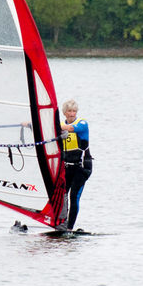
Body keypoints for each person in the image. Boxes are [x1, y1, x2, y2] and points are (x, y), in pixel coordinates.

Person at [59, 98, 92, 231]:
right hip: (66, 168)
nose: (72, 114)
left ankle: (69, 228)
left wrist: (52, 125)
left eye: (74, 111)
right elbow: (44, 132)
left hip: (81, 168)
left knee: (74, 197)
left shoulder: (82, 124)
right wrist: (30, 125)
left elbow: (71, 128)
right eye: (69, 111)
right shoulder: (60, 125)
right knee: (61, 197)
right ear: (64, 113)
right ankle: (60, 225)